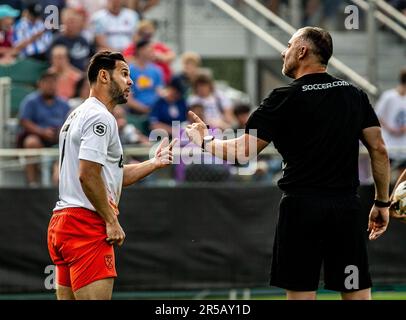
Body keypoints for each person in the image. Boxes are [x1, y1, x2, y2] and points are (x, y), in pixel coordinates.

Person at [186, 27, 390, 300]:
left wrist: (204, 141)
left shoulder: (282, 99)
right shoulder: (354, 94)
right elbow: (378, 148)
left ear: (302, 51)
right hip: (346, 209)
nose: (284, 51)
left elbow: (242, 153)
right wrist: (381, 203)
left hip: (301, 210)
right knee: (356, 293)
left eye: (289, 44)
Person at [47, 51, 176, 300]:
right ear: (104, 76)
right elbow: (88, 175)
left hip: (62, 222)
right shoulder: (101, 118)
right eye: (125, 73)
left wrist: (154, 163)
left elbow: (109, 177)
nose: (131, 81)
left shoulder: (78, 113)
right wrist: (111, 220)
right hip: (86, 223)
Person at [18, 71, 70, 187]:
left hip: (59, 138)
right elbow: (24, 121)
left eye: (52, 82)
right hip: (38, 137)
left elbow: (70, 121)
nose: (50, 85)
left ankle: (62, 186)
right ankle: (32, 183)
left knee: (71, 144)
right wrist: (41, 132)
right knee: (31, 142)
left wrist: (60, 132)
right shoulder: (31, 101)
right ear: (40, 84)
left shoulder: (64, 103)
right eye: (47, 82)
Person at [376, 68, 406, 180]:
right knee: (385, 174)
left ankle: (398, 197)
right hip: (389, 143)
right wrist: (390, 128)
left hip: (403, 145)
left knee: (402, 177)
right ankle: (384, 196)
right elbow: (377, 115)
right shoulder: (388, 96)